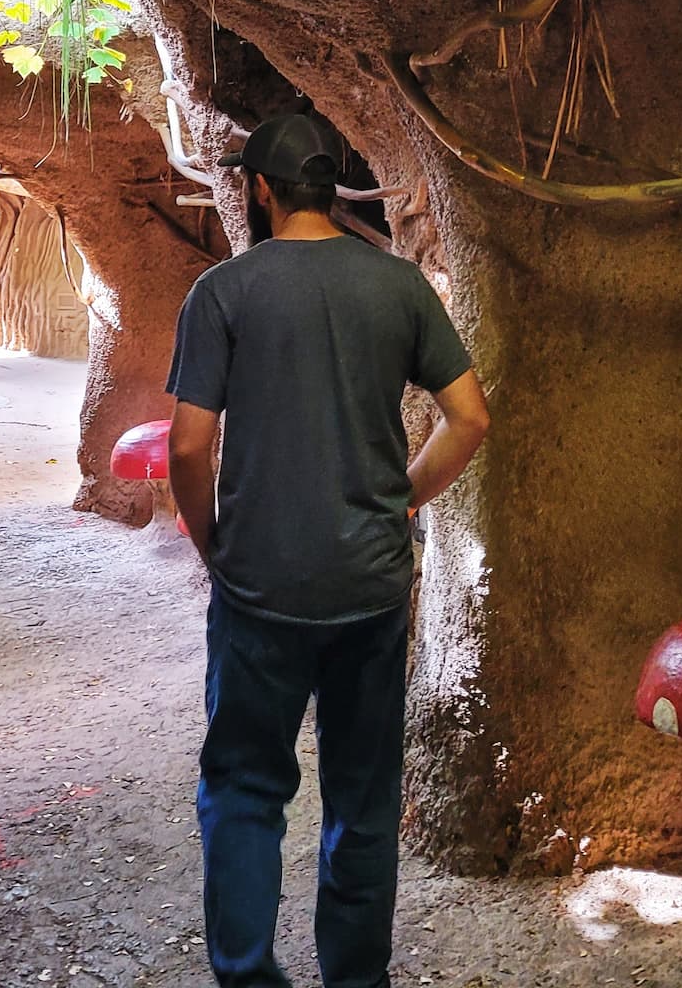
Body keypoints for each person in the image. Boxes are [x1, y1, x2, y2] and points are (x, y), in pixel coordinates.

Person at [166, 110, 490, 988]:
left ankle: (247, 974)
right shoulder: (399, 286)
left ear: (261, 189)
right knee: (362, 795)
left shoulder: (223, 294)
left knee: (243, 790)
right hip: (370, 587)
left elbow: (189, 448)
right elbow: (471, 418)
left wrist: (215, 548)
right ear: (329, 187)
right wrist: (402, 500)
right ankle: (356, 978)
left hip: (260, 589)